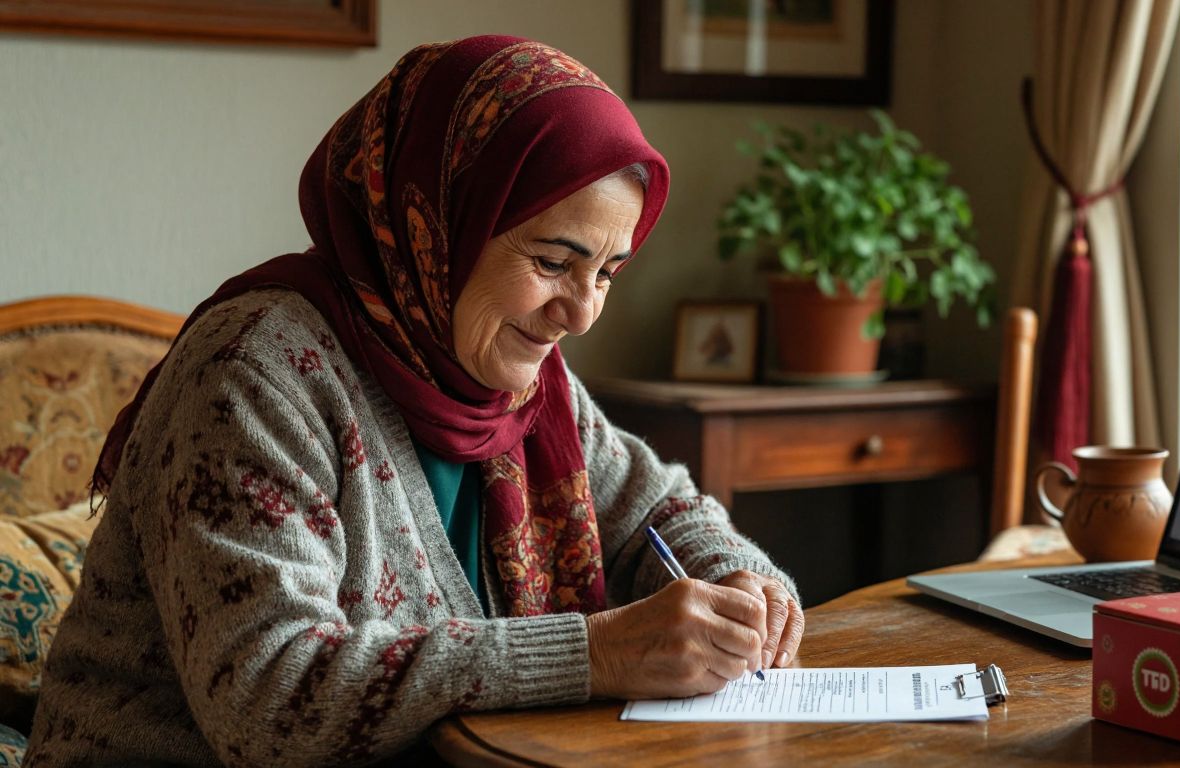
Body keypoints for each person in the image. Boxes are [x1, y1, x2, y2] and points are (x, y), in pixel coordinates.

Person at [25, 36, 803, 766]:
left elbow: (657, 511)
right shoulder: (254, 372)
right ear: (437, 222)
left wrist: (740, 584)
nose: (581, 312)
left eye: (606, 272)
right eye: (552, 261)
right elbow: (270, 699)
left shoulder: (518, 380)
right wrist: (596, 654)